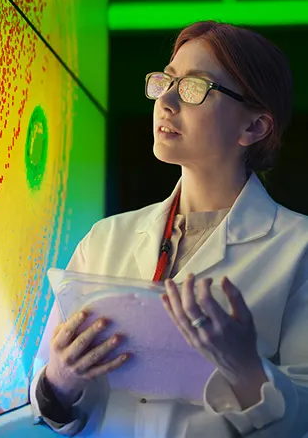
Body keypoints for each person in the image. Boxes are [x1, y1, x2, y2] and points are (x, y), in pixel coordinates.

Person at [29, 21, 308, 437]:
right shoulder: (105, 240)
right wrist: (60, 380)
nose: (166, 101)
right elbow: (48, 401)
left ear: (254, 127)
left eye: (196, 88)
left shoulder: (297, 247)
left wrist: (246, 367)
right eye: (167, 81)